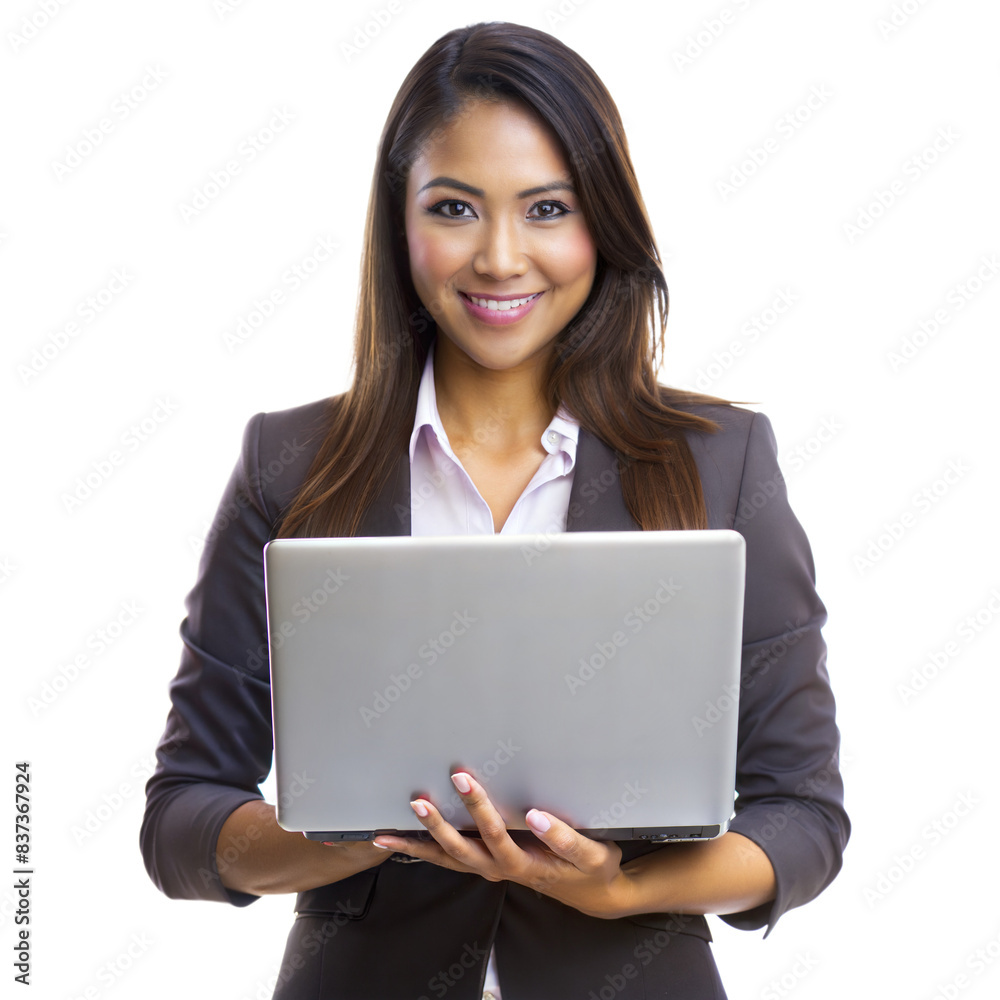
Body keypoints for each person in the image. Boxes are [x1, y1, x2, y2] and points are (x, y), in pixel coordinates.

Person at [140, 21, 849, 999]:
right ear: (401, 225)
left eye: (546, 208)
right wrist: (350, 841)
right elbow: (183, 820)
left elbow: (802, 816)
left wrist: (617, 887)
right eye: (455, 208)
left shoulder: (718, 462)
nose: (501, 257)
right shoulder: (291, 464)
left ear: (602, 221)